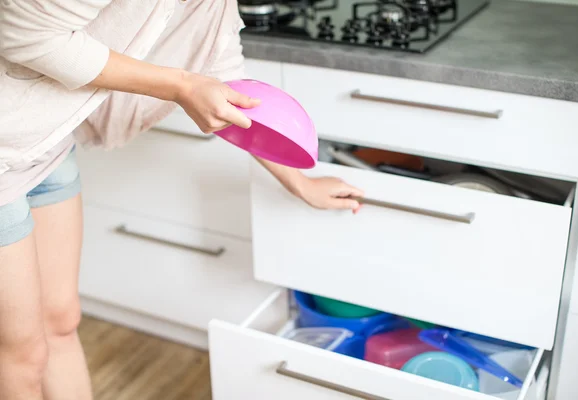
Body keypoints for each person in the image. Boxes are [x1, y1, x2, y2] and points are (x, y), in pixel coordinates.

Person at [0, 1, 363, 399]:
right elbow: (26, 37)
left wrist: (298, 182)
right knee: (23, 354)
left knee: (61, 320)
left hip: (45, 145)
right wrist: (180, 85)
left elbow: (222, 74)